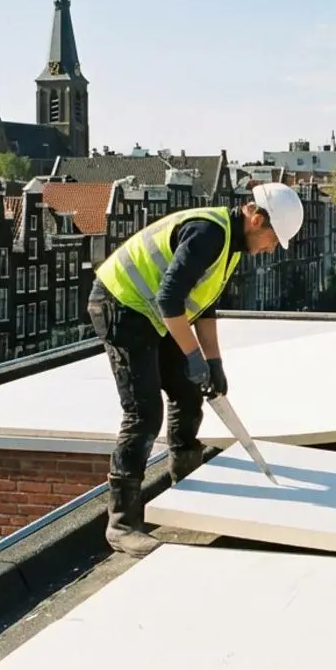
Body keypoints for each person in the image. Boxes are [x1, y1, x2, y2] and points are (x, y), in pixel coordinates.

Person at [86, 183, 305, 556]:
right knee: (143, 413)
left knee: (189, 394)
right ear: (256, 219)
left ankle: (184, 483)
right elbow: (169, 298)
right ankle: (121, 523)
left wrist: (213, 363)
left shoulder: (231, 246)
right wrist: (193, 357)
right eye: (272, 239)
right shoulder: (209, 233)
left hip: (154, 314)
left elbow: (201, 306)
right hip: (120, 306)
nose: (270, 249)